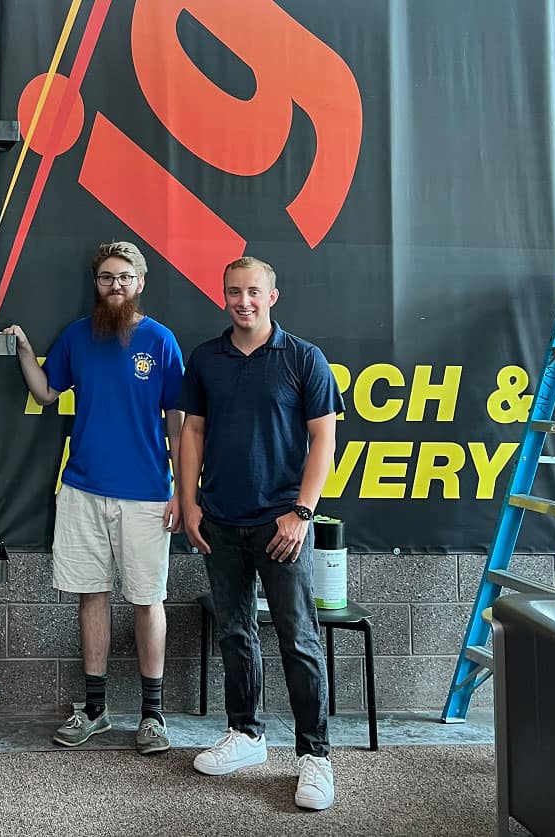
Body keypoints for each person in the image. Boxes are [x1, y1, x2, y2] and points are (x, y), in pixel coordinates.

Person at [176, 255, 343, 811]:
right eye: (232, 292)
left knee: (299, 640)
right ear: (222, 296)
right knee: (235, 633)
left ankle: (314, 757)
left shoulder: (304, 359)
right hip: (221, 521)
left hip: (282, 525)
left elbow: (324, 440)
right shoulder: (205, 359)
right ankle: (246, 735)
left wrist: (302, 512)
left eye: (253, 292)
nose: (242, 301)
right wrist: (189, 501)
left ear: (273, 296)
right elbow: (192, 430)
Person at [3, 240, 185, 754]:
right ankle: (97, 710)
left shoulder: (161, 340)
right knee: (91, 595)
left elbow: (177, 419)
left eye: (124, 277)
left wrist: (181, 491)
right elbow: (45, 393)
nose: (115, 286)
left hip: (149, 493)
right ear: (97, 284)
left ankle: (152, 716)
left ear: (140, 283)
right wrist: (23, 349)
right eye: (106, 277)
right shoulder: (77, 337)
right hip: (82, 488)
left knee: (149, 599)